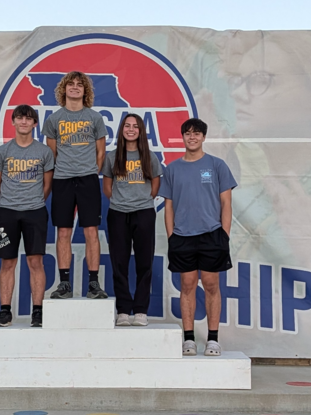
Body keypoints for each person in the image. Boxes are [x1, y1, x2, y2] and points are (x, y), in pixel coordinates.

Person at [158, 118, 237, 357]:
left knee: (212, 285)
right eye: (188, 133)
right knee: (187, 285)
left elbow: (226, 203)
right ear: (182, 137)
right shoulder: (172, 169)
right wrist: (172, 236)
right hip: (182, 236)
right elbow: (168, 207)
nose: (192, 137)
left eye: (197, 133)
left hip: (212, 235)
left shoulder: (217, 165)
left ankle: (213, 339)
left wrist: (224, 235)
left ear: (204, 137)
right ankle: (189, 339)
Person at [42, 71, 108, 299]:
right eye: (71, 84)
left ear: (85, 91)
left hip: (88, 179)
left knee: (91, 231)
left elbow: (101, 153)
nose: (75, 87)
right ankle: (64, 284)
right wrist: (66, 171)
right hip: (62, 180)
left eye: (80, 85)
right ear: (64, 90)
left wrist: (89, 171)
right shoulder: (54, 119)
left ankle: (93, 283)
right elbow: (51, 154)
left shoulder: (94, 118)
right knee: (63, 232)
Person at [0, 104, 55, 328]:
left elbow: (47, 186)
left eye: (29, 119)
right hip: (7, 212)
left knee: (35, 261)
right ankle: (5, 312)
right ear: (13, 122)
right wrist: (10, 203)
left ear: (35, 123)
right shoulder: (2, 152)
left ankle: (38, 312)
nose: (24, 122)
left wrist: (33, 203)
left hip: (35, 211)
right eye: (20, 118)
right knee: (8, 262)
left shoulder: (44, 152)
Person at [101, 114, 162, 326]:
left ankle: (141, 310)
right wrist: (121, 201)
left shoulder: (149, 156)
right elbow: (107, 186)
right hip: (118, 213)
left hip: (144, 212)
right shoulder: (112, 156)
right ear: (121, 130)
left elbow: (155, 184)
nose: (131, 129)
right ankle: (124, 310)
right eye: (127, 125)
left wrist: (143, 200)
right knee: (119, 262)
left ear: (141, 131)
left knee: (145, 262)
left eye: (135, 126)